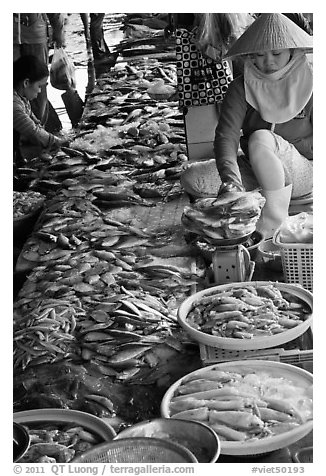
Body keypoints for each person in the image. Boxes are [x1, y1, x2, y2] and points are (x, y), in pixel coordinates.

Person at [180, 13, 313, 239]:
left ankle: (272, 220)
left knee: (261, 138)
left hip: (304, 172)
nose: (268, 61)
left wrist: (287, 148)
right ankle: (258, 196)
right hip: (258, 167)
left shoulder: (312, 82)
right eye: (259, 54)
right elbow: (226, 137)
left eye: (277, 53)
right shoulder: (241, 87)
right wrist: (231, 183)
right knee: (191, 178)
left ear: (293, 50)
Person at [13, 55, 68, 170]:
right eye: (39, 86)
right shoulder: (13, 104)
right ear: (26, 83)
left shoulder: (21, 97)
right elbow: (32, 130)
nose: (39, 91)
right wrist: (56, 141)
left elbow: (32, 119)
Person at [13, 13, 66, 132]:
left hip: (35, 35)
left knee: (38, 83)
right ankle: (19, 132)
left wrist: (58, 29)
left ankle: (38, 129)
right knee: (13, 86)